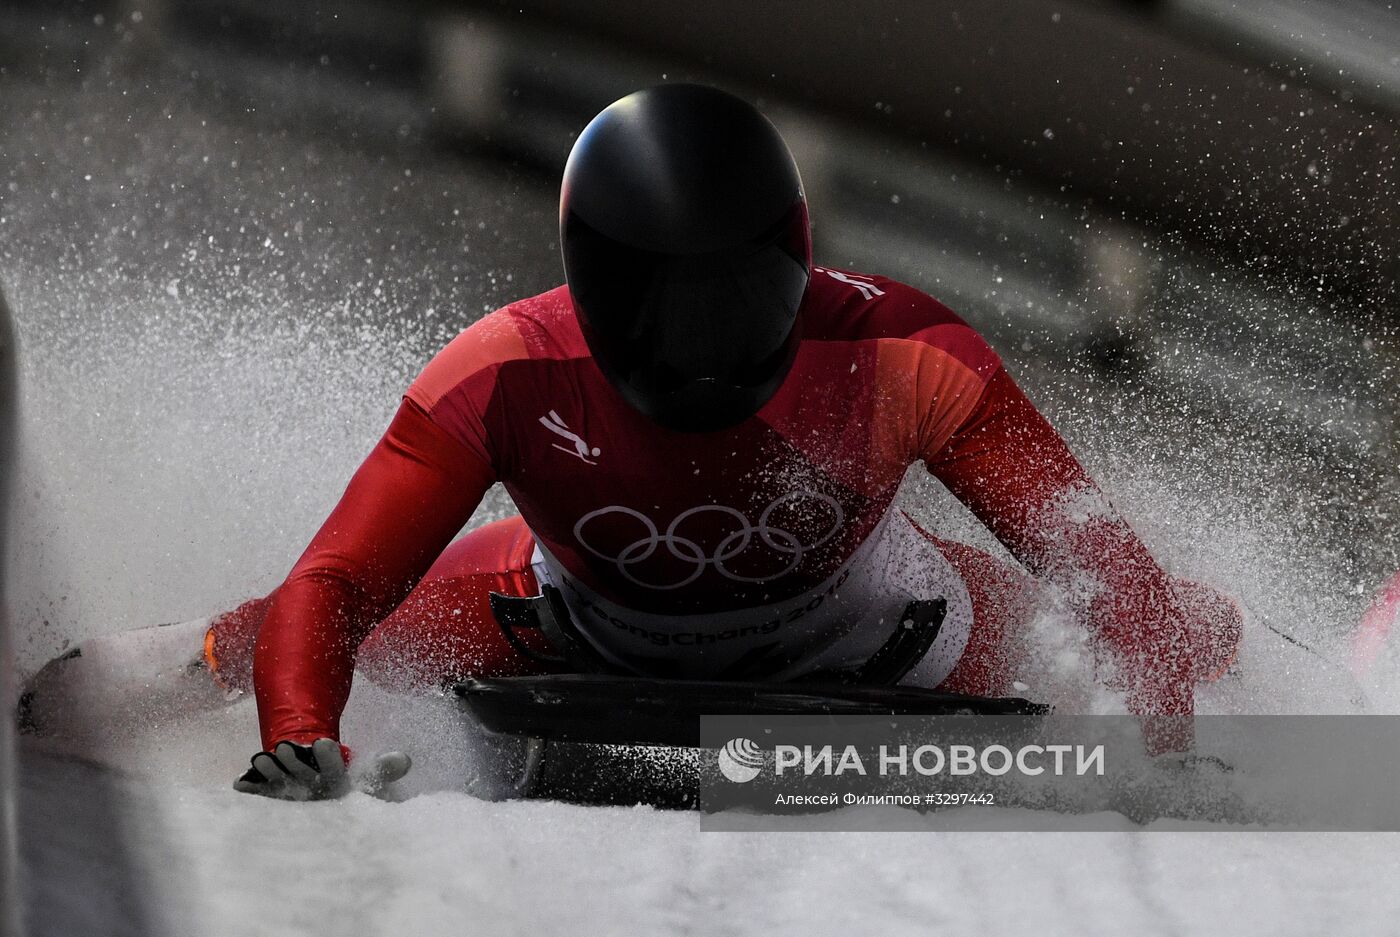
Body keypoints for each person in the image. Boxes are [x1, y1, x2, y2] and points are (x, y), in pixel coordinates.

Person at [20, 84, 1243, 799]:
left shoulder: (906, 353)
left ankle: (1246, 653)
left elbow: (1094, 565)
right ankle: (126, 683)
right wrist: (302, 740)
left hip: (882, 617)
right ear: (590, 286)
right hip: (578, 611)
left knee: (1145, 618)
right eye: (667, 307)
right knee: (293, 616)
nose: (702, 346)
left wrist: (1167, 753)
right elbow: (337, 583)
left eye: (733, 302)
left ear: (795, 261)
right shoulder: (498, 372)